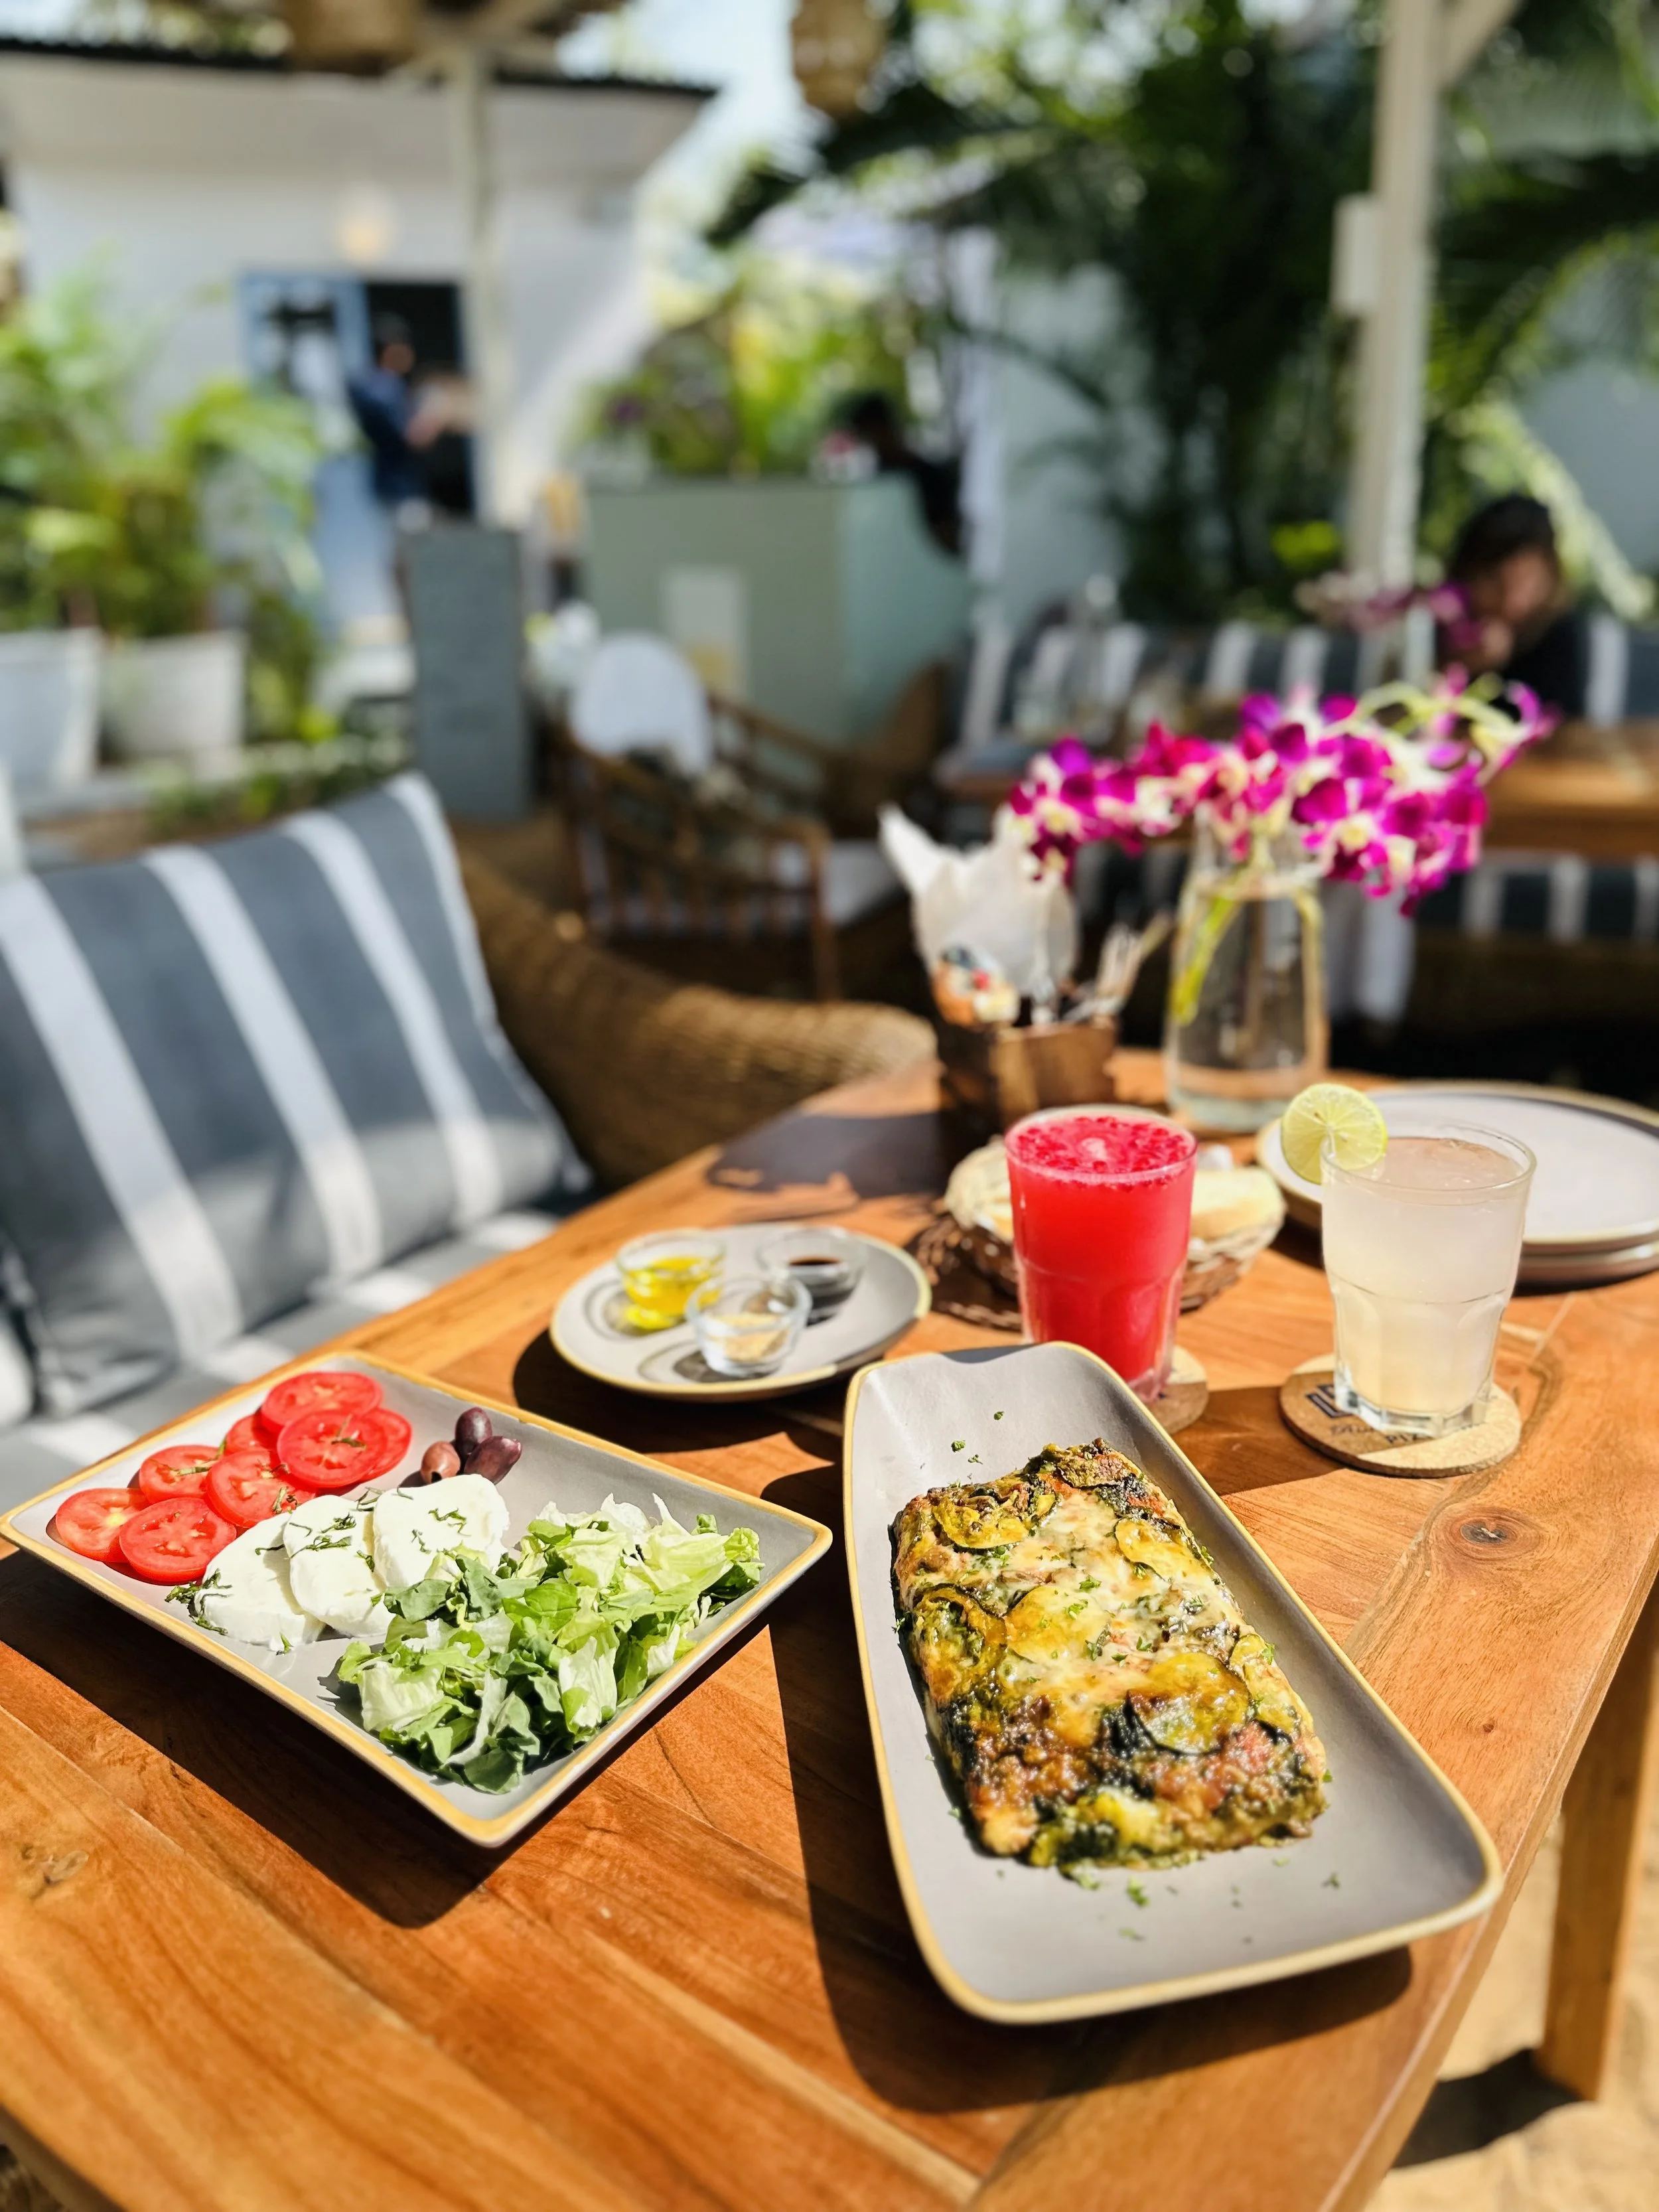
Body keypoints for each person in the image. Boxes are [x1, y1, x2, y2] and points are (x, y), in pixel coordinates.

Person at [1443, 494, 1584, 717]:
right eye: (1495, 583)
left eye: (1528, 585)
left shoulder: (1561, 636)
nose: (1512, 603)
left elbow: (1560, 724)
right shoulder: (1441, 625)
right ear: (1467, 574)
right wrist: (1460, 668)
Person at [346, 315, 442, 527]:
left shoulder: (367, 384)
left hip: (386, 483)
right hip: (400, 487)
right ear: (392, 350)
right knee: (414, 546)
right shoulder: (385, 388)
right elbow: (414, 437)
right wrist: (434, 412)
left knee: (399, 549)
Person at [845, 390, 964, 556]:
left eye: (870, 431)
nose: (871, 439)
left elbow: (948, 536)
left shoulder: (926, 475)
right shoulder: (880, 481)